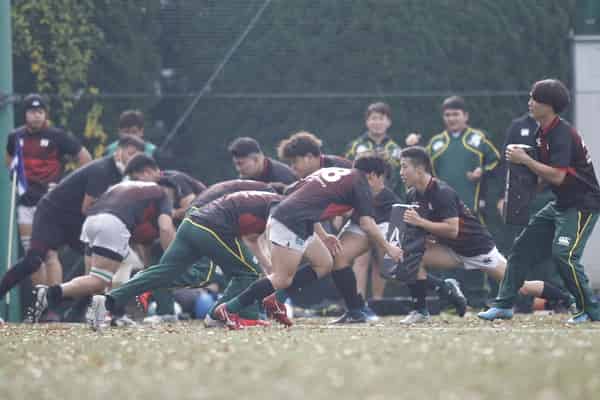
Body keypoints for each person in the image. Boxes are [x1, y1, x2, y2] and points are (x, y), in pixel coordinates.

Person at [213, 155, 403, 329]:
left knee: (325, 263)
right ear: (373, 175)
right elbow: (367, 223)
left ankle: (275, 300)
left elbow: (296, 194)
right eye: (383, 180)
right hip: (290, 222)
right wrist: (389, 248)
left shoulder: (334, 172)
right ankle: (229, 308)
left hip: (296, 219)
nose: (382, 186)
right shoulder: (360, 182)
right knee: (281, 278)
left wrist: (324, 235)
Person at [398, 146, 572, 323]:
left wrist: (421, 222)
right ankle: (423, 309)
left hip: (478, 249)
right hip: (452, 250)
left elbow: (452, 230)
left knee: (522, 287)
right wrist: (425, 235)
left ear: (419, 169)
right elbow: (430, 227)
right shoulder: (412, 195)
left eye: (404, 167)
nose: (401, 172)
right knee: (411, 258)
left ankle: (568, 299)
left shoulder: (442, 192)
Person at [479, 79, 600, 324]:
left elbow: (558, 176)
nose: (530, 102)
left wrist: (524, 159)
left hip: (583, 205)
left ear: (550, 105)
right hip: (560, 204)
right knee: (521, 248)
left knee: (564, 255)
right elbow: (545, 178)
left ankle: (590, 310)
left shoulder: (562, 133)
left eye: (535, 98)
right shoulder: (541, 132)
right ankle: (503, 305)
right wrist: (519, 197)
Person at [89, 190, 284, 330]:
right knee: (248, 271)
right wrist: (276, 269)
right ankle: (220, 316)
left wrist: (269, 267)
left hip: (191, 223)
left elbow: (252, 238)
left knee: (164, 273)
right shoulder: (281, 204)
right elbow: (272, 230)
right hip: (211, 226)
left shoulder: (263, 199)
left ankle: (106, 302)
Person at [0, 135, 145, 312]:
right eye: (130, 154)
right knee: (34, 260)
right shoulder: (102, 170)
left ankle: (90, 313)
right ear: (118, 152)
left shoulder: (124, 176)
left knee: (103, 266)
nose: (133, 159)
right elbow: (88, 207)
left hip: (77, 221)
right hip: (52, 215)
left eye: (137, 156)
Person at [29, 179, 177, 323]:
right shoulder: (162, 194)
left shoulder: (127, 187)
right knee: (98, 281)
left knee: (98, 276)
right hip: (113, 223)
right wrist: (173, 261)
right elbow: (165, 228)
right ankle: (49, 294)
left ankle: (106, 314)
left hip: (91, 220)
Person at [426, 96, 501, 307]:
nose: (452, 118)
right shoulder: (435, 143)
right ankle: (449, 299)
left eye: (456, 114)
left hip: (471, 210)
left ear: (465, 116)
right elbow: (425, 172)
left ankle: (478, 298)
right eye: (447, 115)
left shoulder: (478, 139)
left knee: (478, 252)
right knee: (444, 254)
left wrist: (482, 171)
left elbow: (497, 161)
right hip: (442, 212)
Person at [5, 94, 92, 256]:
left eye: (40, 111)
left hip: (50, 201)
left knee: (49, 254)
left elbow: (85, 157)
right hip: (26, 201)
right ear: (25, 114)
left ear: (45, 114)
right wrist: (16, 178)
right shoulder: (15, 136)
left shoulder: (57, 136)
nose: (37, 116)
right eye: (32, 112)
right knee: (31, 255)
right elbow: (9, 158)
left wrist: (71, 185)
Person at [345, 102, 405, 301]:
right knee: (361, 257)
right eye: (373, 118)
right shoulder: (356, 147)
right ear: (367, 121)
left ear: (389, 122)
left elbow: (401, 180)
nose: (377, 122)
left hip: (386, 208)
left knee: (382, 256)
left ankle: (378, 301)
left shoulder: (396, 149)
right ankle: (358, 301)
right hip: (362, 205)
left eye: (381, 118)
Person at [123, 153, 207, 222]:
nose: (135, 184)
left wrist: (173, 214)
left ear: (147, 172)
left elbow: (193, 212)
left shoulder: (175, 179)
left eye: (135, 179)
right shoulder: (154, 187)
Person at [228, 136, 297, 187]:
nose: (238, 169)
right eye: (236, 164)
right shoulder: (245, 178)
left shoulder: (283, 177)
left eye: (240, 164)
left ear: (256, 159)